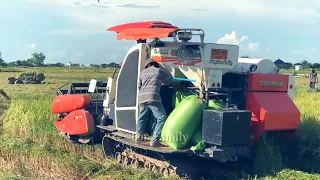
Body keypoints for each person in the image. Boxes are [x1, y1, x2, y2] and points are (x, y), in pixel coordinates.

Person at [135, 60, 173, 147]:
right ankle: (155, 141)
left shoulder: (142, 72)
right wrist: (162, 82)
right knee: (161, 118)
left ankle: (138, 138)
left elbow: (139, 86)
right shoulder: (159, 71)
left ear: (147, 66)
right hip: (153, 97)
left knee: (142, 117)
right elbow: (170, 79)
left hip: (141, 97)